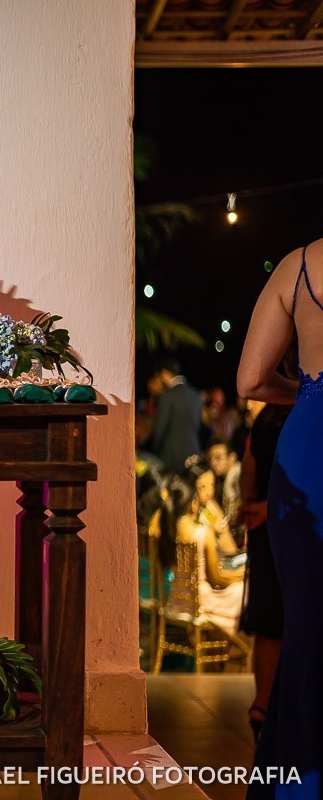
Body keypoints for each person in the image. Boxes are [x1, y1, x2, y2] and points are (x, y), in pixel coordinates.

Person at [238, 239, 323, 799]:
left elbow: (250, 382)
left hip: (309, 452)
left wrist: (310, 394)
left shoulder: (299, 265)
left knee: (308, 632)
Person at [239, 400, 293, 744]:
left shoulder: (267, 417)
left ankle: (262, 707)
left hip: (263, 532)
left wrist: (256, 506)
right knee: (294, 621)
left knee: (269, 625)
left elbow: (247, 471)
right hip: (296, 528)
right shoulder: (306, 413)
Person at [159, 469, 245, 635]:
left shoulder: (168, 530)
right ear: (192, 503)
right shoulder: (203, 533)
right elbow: (215, 578)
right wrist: (238, 577)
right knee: (242, 590)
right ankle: (240, 650)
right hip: (199, 602)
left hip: (176, 599)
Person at [145, 357, 204, 473]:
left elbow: (158, 431)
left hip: (170, 458)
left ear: (164, 374)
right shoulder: (197, 396)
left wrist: (154, 451)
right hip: (193, 455)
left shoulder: (167, 397)